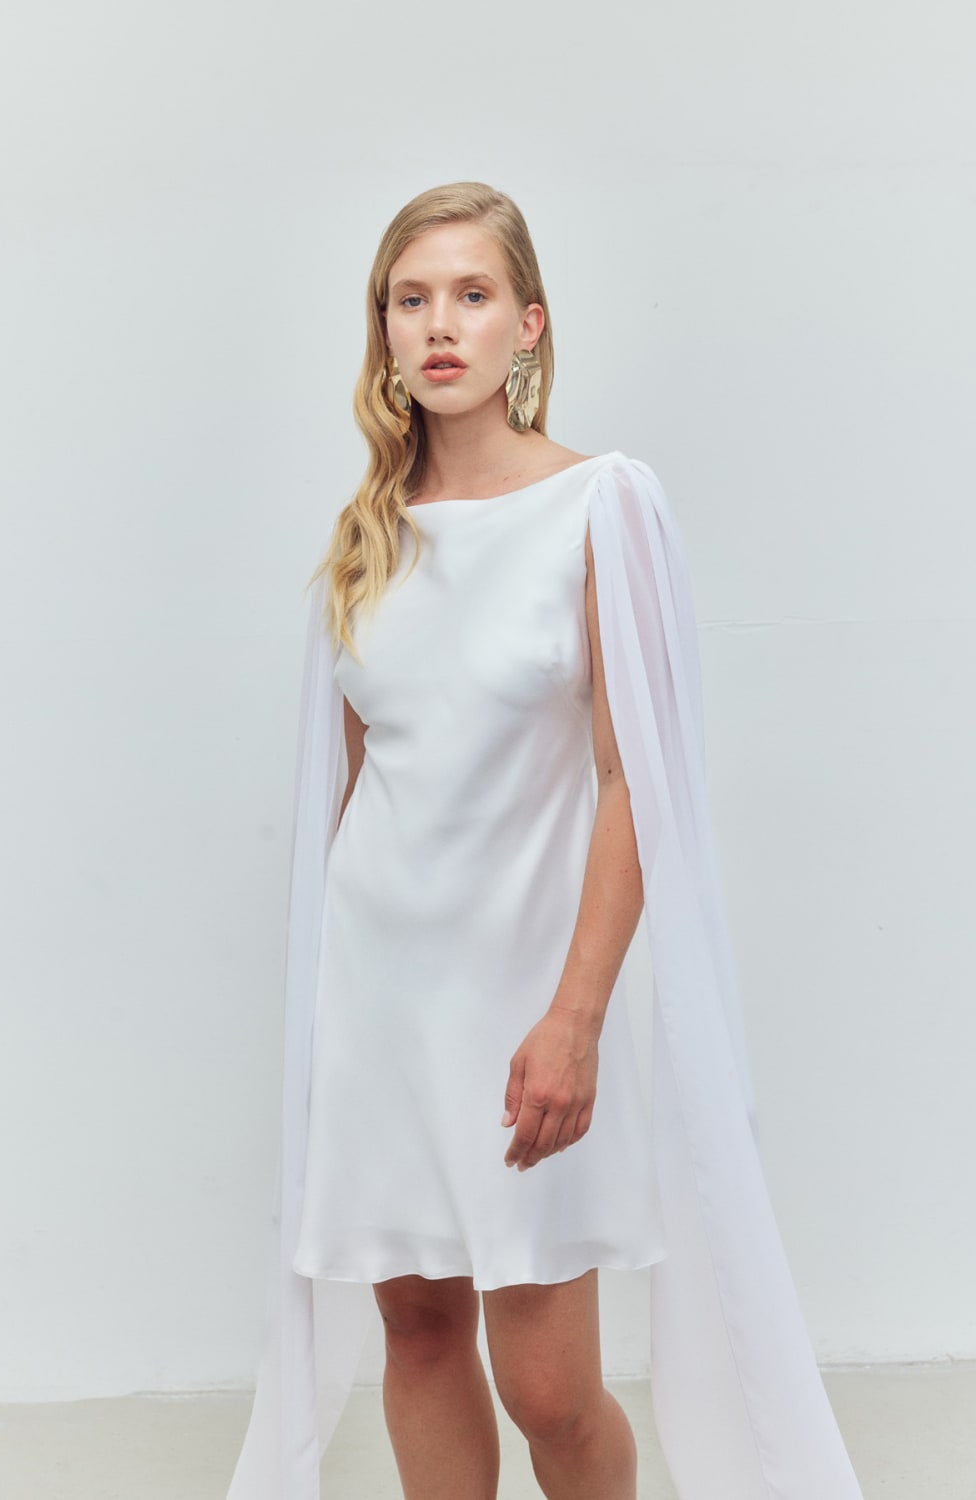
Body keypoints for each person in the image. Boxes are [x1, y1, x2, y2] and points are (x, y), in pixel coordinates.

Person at [226, 183, 864, 1500]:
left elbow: (635, 781)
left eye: (471, 295)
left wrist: (577, 1019)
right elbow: (356, 792)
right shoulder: (367, 540)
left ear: (528, 324)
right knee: (417, 1330)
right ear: (383, 330)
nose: (438, 324)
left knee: (551, 1389)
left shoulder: (600, 507)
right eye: (411, 299)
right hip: (380, 1000)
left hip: (526, 995)